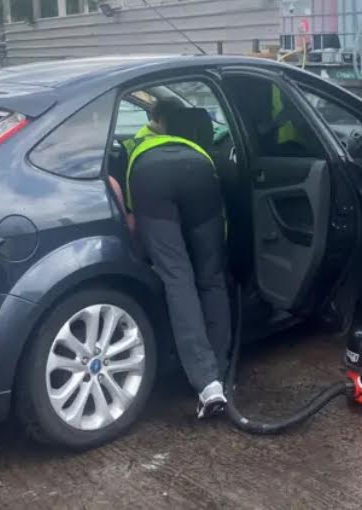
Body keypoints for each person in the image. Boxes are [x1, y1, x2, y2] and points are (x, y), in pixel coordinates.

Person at [125, 106, 231, 418]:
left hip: (149, 176)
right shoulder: (198, 141)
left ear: (155, 121)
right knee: (211, 279)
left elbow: (133, 219)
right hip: (198, 169)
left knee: (177, 277)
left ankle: (206, 383)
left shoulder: (137, 143)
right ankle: (220, 374)